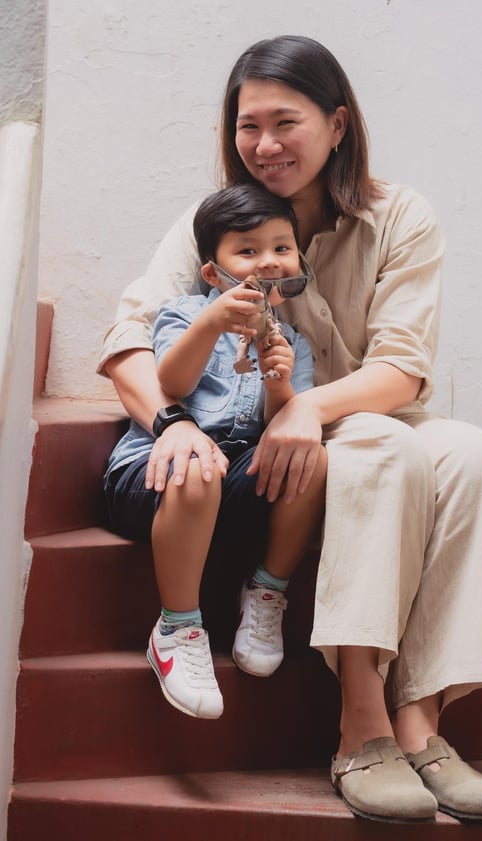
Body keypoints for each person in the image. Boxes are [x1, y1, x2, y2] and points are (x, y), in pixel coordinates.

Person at [98, 35, 482, 823]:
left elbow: (401, 369)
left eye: (285, 122)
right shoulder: (216, 221)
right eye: (247, 125)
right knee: (386, 449)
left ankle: (422, 719)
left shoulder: (400, 216)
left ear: (338, 124)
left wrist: (303, 407)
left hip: (347, 409)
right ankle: (362, 721)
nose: (265, 145)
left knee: (475, 456)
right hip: (291, 437)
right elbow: (128, 342)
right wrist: (172, 421)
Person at [103, 182, 327, 720]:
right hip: (154, 474)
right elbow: (172, 384)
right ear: (212, 272)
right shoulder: (183, 314)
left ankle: (267, 591)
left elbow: (280, 426)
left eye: (281, 247)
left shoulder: (293, 342)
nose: (268, 261)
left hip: (231, 482)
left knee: (312, 457)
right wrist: (210, 324)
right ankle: (177, 628)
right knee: (197, 465)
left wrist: (279, 382)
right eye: (248, 250)